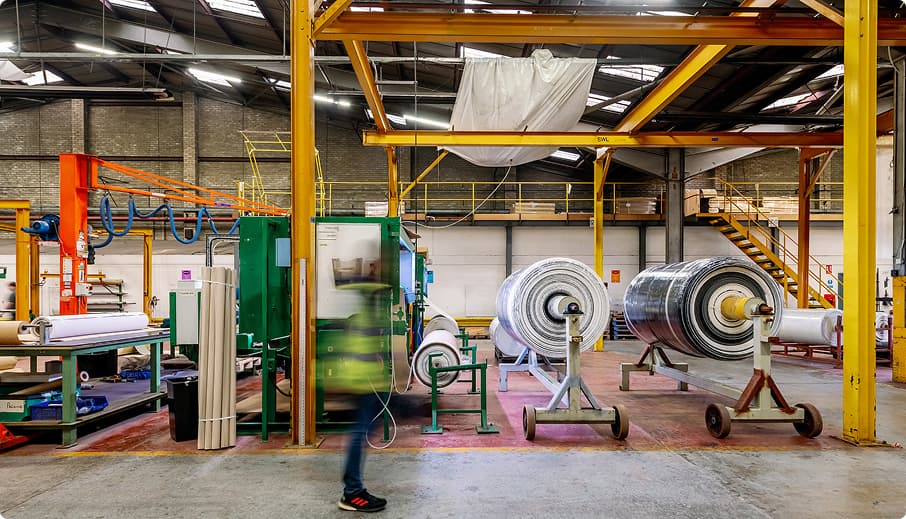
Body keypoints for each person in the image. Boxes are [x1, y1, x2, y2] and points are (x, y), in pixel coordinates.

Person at [328, 283, 390, 513]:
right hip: (361, 384)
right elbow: (360, 353)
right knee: (359, 435)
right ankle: (352, 493)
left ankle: (354, 489)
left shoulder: (365, 317)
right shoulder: (363, 319)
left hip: (365, 384)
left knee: (361, 434)